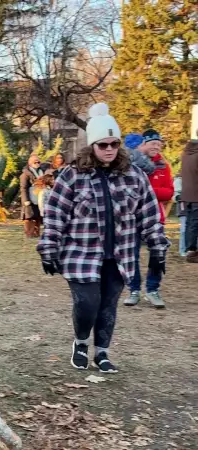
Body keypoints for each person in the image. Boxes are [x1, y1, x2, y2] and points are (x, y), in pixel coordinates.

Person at [37, 103, 169, 374]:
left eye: (114, 143)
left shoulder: (134, 176)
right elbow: (55, 214)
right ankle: (81, 343)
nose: (109, 149)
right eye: (103, 144)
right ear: (92, 146)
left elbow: (148, 213)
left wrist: (157, 249)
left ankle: (103, 353)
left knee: (108, 305)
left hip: (120, 255)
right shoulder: (73, 175)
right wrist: (49, 248)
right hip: (80, 253)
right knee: (87, 304)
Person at [125, 129, 173, 308]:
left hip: (155, 216)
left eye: (159, 144)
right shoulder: (130, 164)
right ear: (142, 144)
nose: (156, 147)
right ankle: (134, 290)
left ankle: (153, 290)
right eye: (153, 144)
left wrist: (148, 191)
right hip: (132, 217)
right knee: (131, 254)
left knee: (158, 253)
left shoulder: (162, 165)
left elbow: (169, 192)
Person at [20, 154, 44, 238]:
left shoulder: (41, 172)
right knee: (29, 217)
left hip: (39, 198)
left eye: (38, 161)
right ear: (30, 163)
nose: (37, 163)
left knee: (37, 217)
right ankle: (29, 234)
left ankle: (36, 234)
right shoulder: (25, 175)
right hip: (29, 199)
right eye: (35, 162)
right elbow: (23, 188)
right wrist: (25, 200)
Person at [182, 140, 198, 263]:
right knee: (194, 223)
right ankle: (192, 252)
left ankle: (188, 249)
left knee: (189, 222)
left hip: (186, 194)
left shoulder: (186, 154)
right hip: (196, 194)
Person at [174, 172, 186, 257]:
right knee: (184, 230)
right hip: (183, 209)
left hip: (194, 208)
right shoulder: (179, 180)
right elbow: (175, 195)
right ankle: (182, 250)